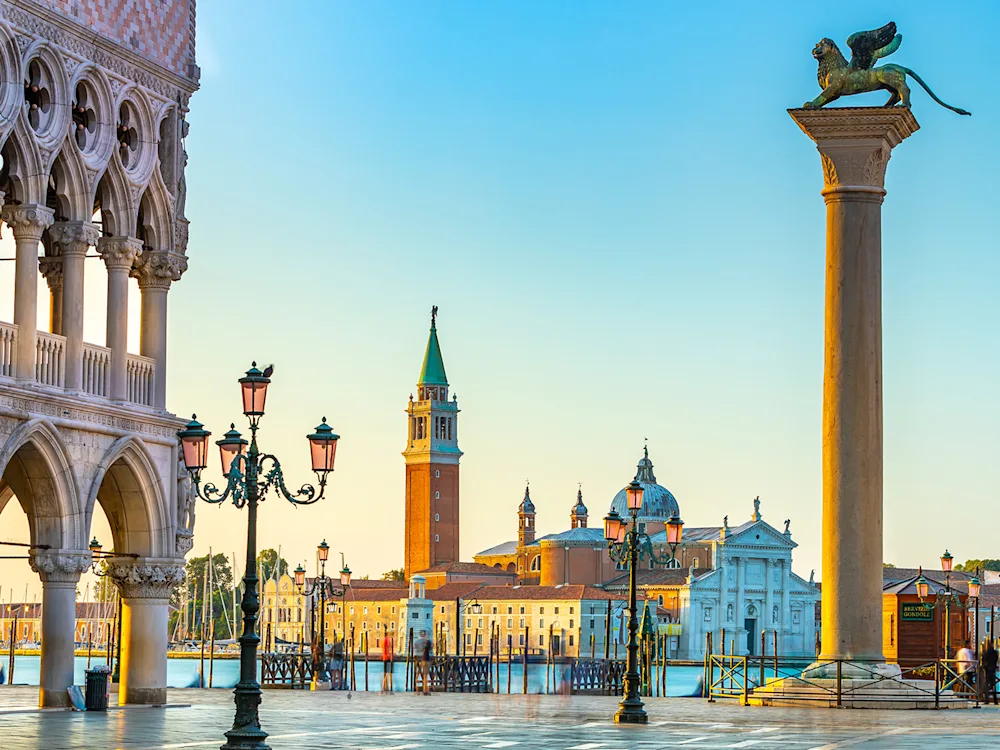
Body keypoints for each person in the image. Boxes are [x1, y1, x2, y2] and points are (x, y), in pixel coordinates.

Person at [414, 629, 432, 694]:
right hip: (426, 660)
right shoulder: (428, 642)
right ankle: (425, 690)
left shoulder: (420, 642)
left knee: (424, 675)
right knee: (425, 676)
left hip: (422, 659)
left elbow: (419, 648)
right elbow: (430, 648)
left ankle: (423, 689)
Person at [982, 639, 998, 705]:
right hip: (993, 669)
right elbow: (996, 659)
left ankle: (987, 699)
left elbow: (983, 660)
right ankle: (995, 700)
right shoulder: (995, 652)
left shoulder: (986, 652)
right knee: (993, 684)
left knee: (986, 684)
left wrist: (984, 667)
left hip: (988, 670)